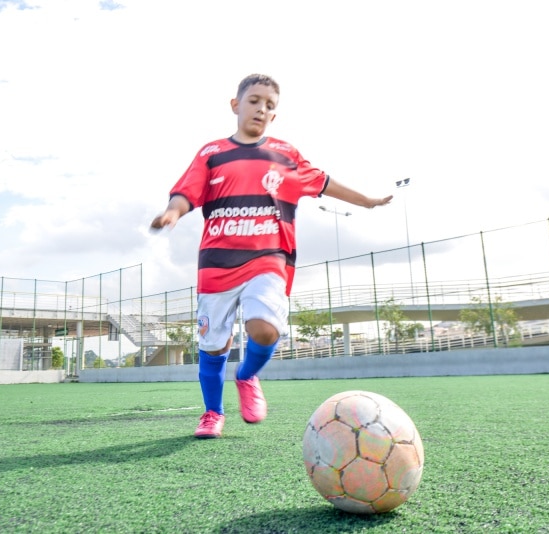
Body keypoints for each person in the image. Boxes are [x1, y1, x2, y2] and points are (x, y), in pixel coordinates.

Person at [151, 74, 392, 438]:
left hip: (268, 257)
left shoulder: (285, 155)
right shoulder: (211, 153)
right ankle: (212, 413)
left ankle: (247, 375)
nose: (261, 109)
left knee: (264, 328)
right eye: (254, 101)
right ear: (236, 105)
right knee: (213, 345)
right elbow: (186, 192)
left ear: (274, 116)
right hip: (217, 264)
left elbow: (327, 183)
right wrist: (172, 212)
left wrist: (368, 200)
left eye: (269, 105)